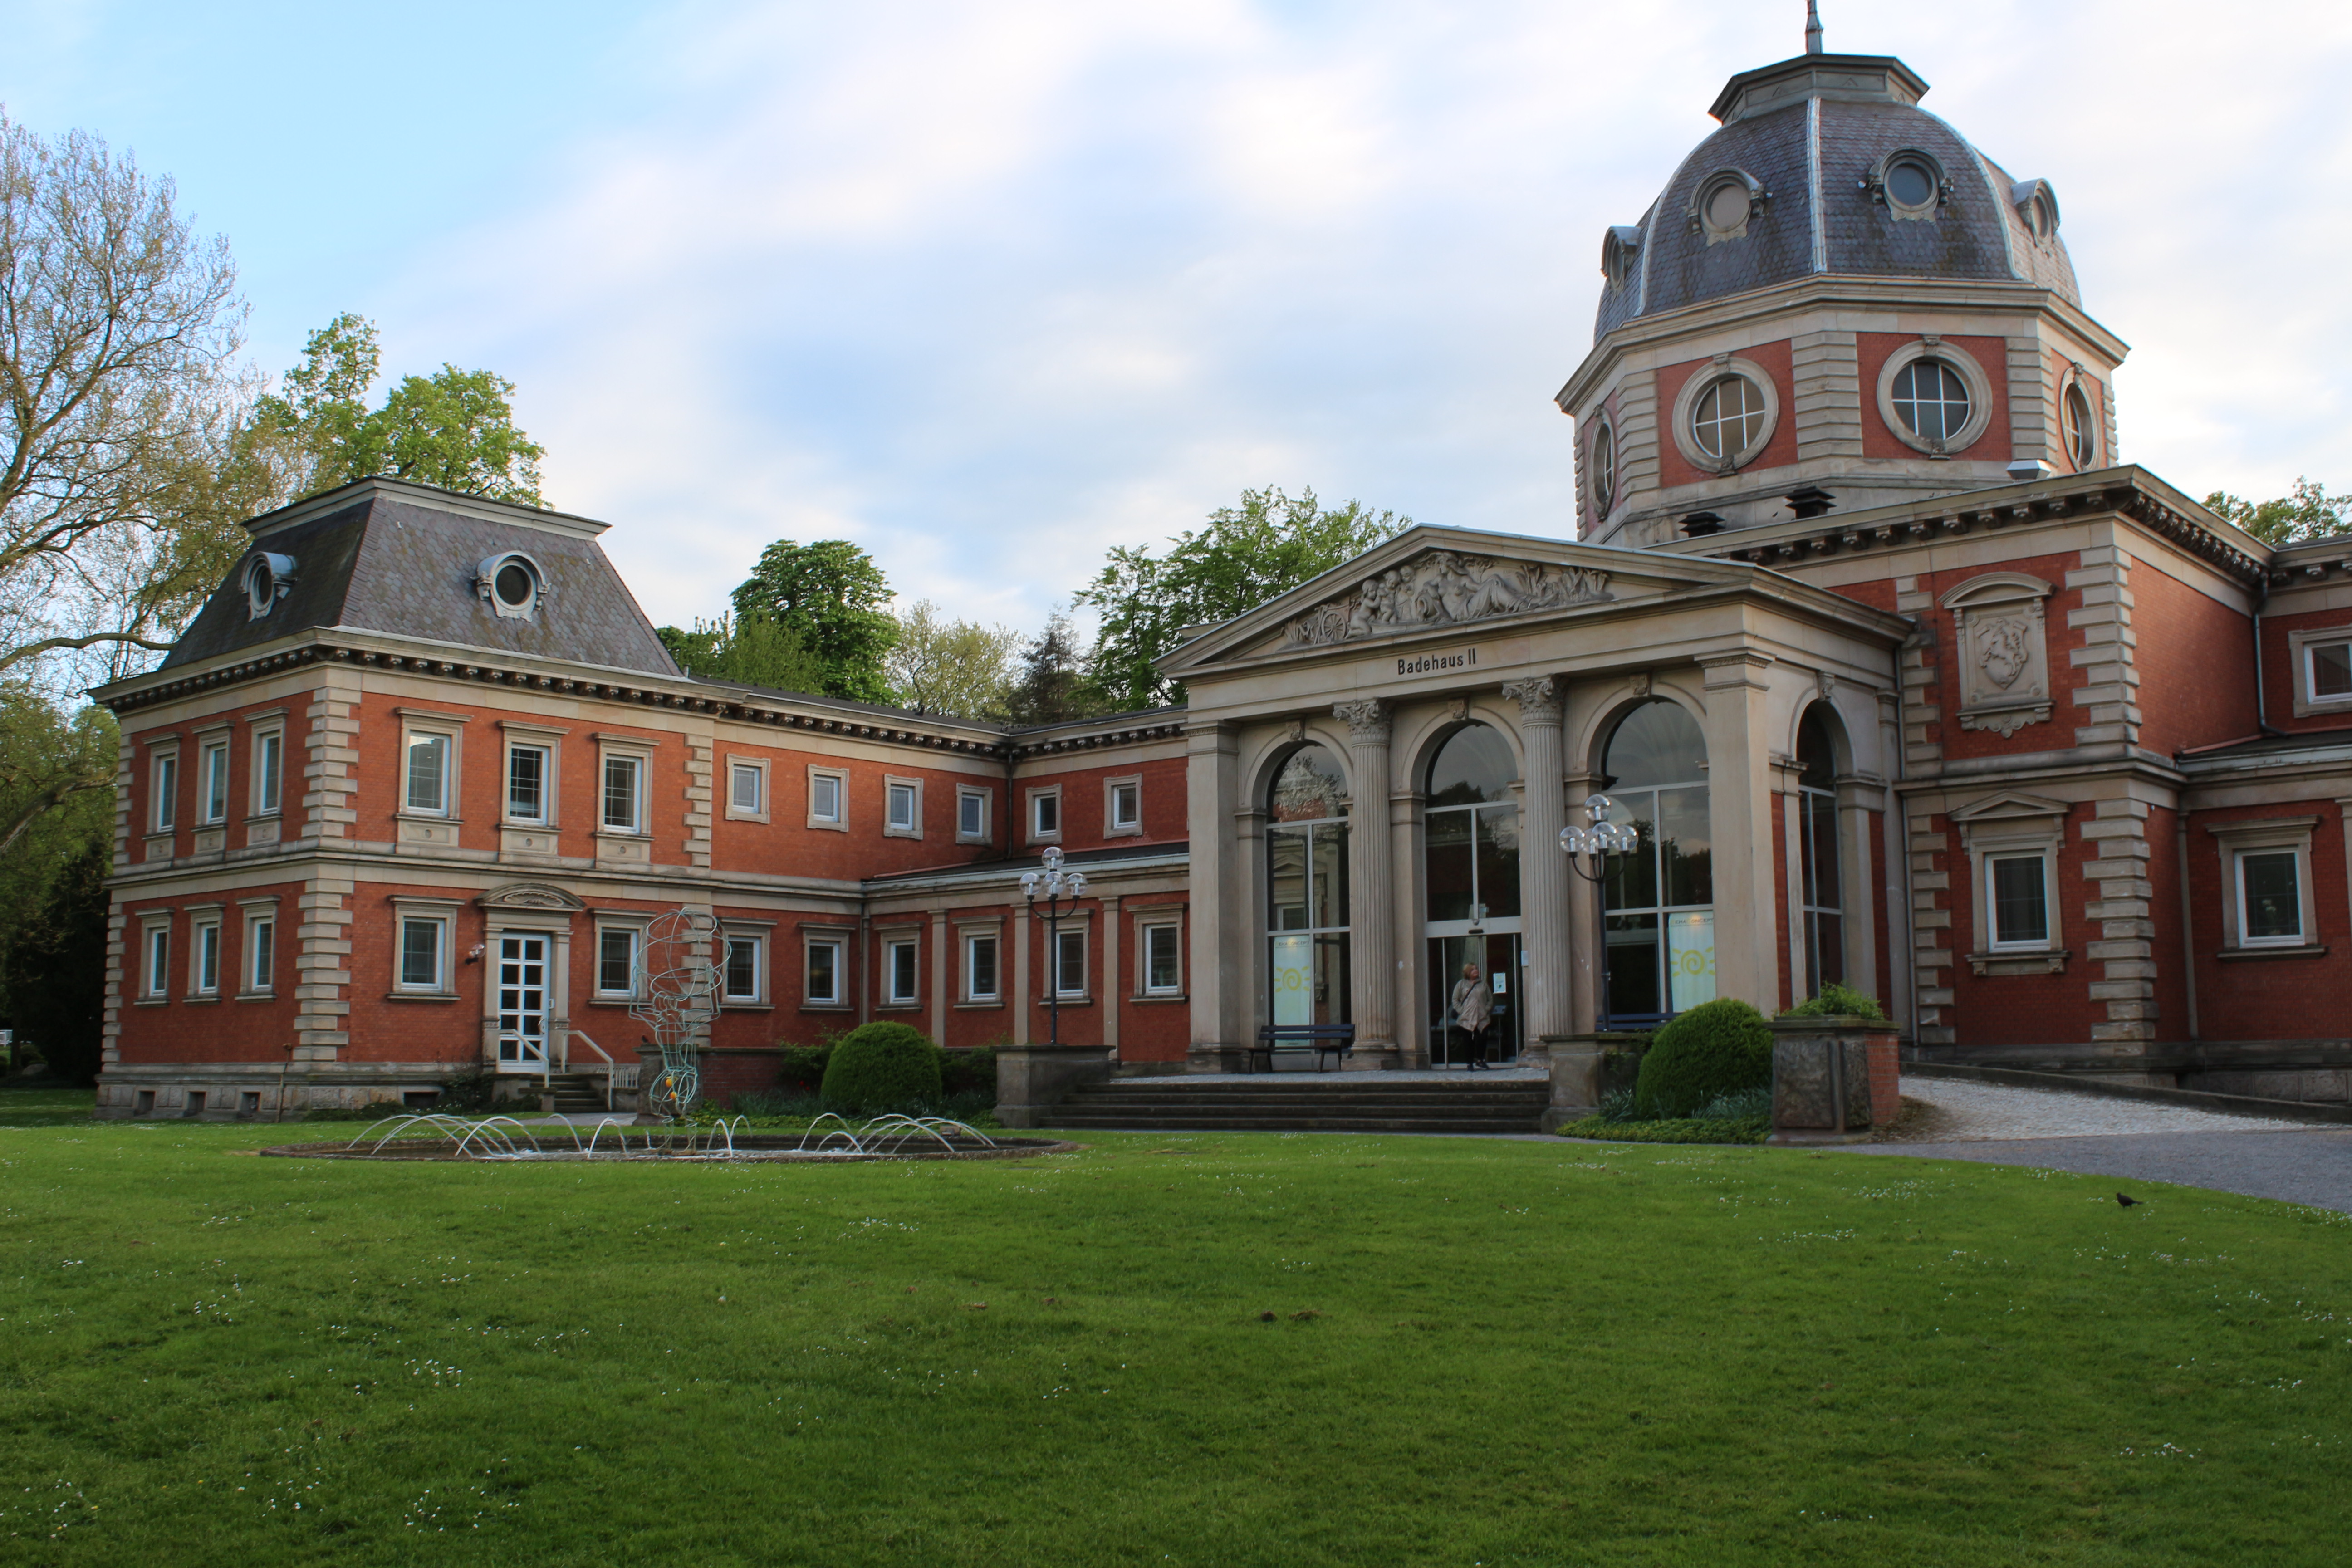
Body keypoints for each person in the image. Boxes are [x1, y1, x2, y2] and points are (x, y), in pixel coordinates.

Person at [1450, 961, 1492, 1070]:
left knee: (1482, 1039)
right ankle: (1469, 1063)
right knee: (1468, 1042)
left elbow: (1490, 999)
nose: (1476, 971)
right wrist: (1462, 1011)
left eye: (1476, 969)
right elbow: (1455, 1000)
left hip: (1482, 1018)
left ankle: (1480, 1060)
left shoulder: (1483, 984)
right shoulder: (1461, 984)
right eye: (1473, 969)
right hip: (1467, 1019)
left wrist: (1486, 1010)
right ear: (1468, 972)